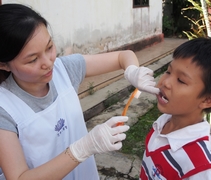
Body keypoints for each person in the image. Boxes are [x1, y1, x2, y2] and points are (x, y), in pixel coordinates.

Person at [0, 3, 159, 180]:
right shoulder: (4, 108)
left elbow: (123, 56)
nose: (48, 62)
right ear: (3, 64)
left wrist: (132, 71)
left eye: (49, 47)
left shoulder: (64, 69)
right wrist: (82, 149)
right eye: (32, 60)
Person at [139, 37, 211, 180]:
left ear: (206, 100)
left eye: (181, 80)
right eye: (168, 71)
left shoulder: (200, 166)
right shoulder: (163, 122)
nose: (165, 82)